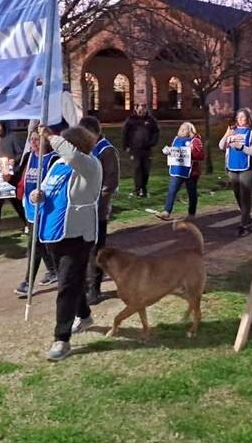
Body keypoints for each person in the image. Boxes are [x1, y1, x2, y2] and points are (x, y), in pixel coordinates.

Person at [31, 125, 103, 362]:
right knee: (69, 281)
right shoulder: (58, 164)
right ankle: (84, 315)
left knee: (67, 285)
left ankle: (61, 339)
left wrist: (50, 135)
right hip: (53, 231)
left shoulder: (89, 165)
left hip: (77, 234)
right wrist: (37, 195)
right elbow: (46, 189)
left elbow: (71, 155)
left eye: (63, 143)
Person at [78, 115, 119, 305]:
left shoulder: (106, 151)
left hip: (97, 211)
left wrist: (96, 204)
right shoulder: (85, 149)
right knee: (81, 250)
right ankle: (84, 286)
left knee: (96, 250)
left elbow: (110, 184)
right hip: (81, 210)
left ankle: (94, 289)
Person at [15, 131, 58, 297]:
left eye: (37, 140)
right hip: (30, 209)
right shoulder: (28, 157)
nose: (33, 142)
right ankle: (54, 271)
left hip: (47, 208)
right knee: (41, 243)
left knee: (34, 244)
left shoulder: (53, 159)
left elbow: (57, 183)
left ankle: (28, 282)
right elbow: (18, 178)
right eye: (31, 139)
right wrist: (7, 177)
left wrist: (44, 194)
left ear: (46, 141)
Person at [219, 107, 252, 236]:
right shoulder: (233, 131)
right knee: (238, 194)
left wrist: (242, 147)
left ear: (248, 118)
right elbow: (221, 146)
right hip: (233, 167)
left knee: (245, 195)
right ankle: (247, 217)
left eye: (243, 117)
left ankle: (243, 224)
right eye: (238, 117)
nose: (240, 120)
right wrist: (227, 134)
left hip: (248, 168)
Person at [156, 122, 204, 221]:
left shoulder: (195, 141)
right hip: (177, 171)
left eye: (185, 129)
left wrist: (191, 152)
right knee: (171, 191)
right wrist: (168, 151)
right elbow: (174, 152)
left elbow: (200, 156)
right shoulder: (176, 139)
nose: (182, 130)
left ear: (190, 130)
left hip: (191, 173)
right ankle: (167, 211)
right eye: (181, 128)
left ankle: (191, 213)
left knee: (191, 193)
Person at [121, 103, 159, 197]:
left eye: (143, 109)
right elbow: (125, 133)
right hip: (135, 149)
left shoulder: (151, 120)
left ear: (146, 109)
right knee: (137, 168)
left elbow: (156, 132)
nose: (141, 111)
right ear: (136, 109)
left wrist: (152, 142)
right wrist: (126, 146)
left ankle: (144, 188)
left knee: (146, 169)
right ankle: (137, 190)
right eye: (139, 110)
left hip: (147, 149)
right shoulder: (131, 120)